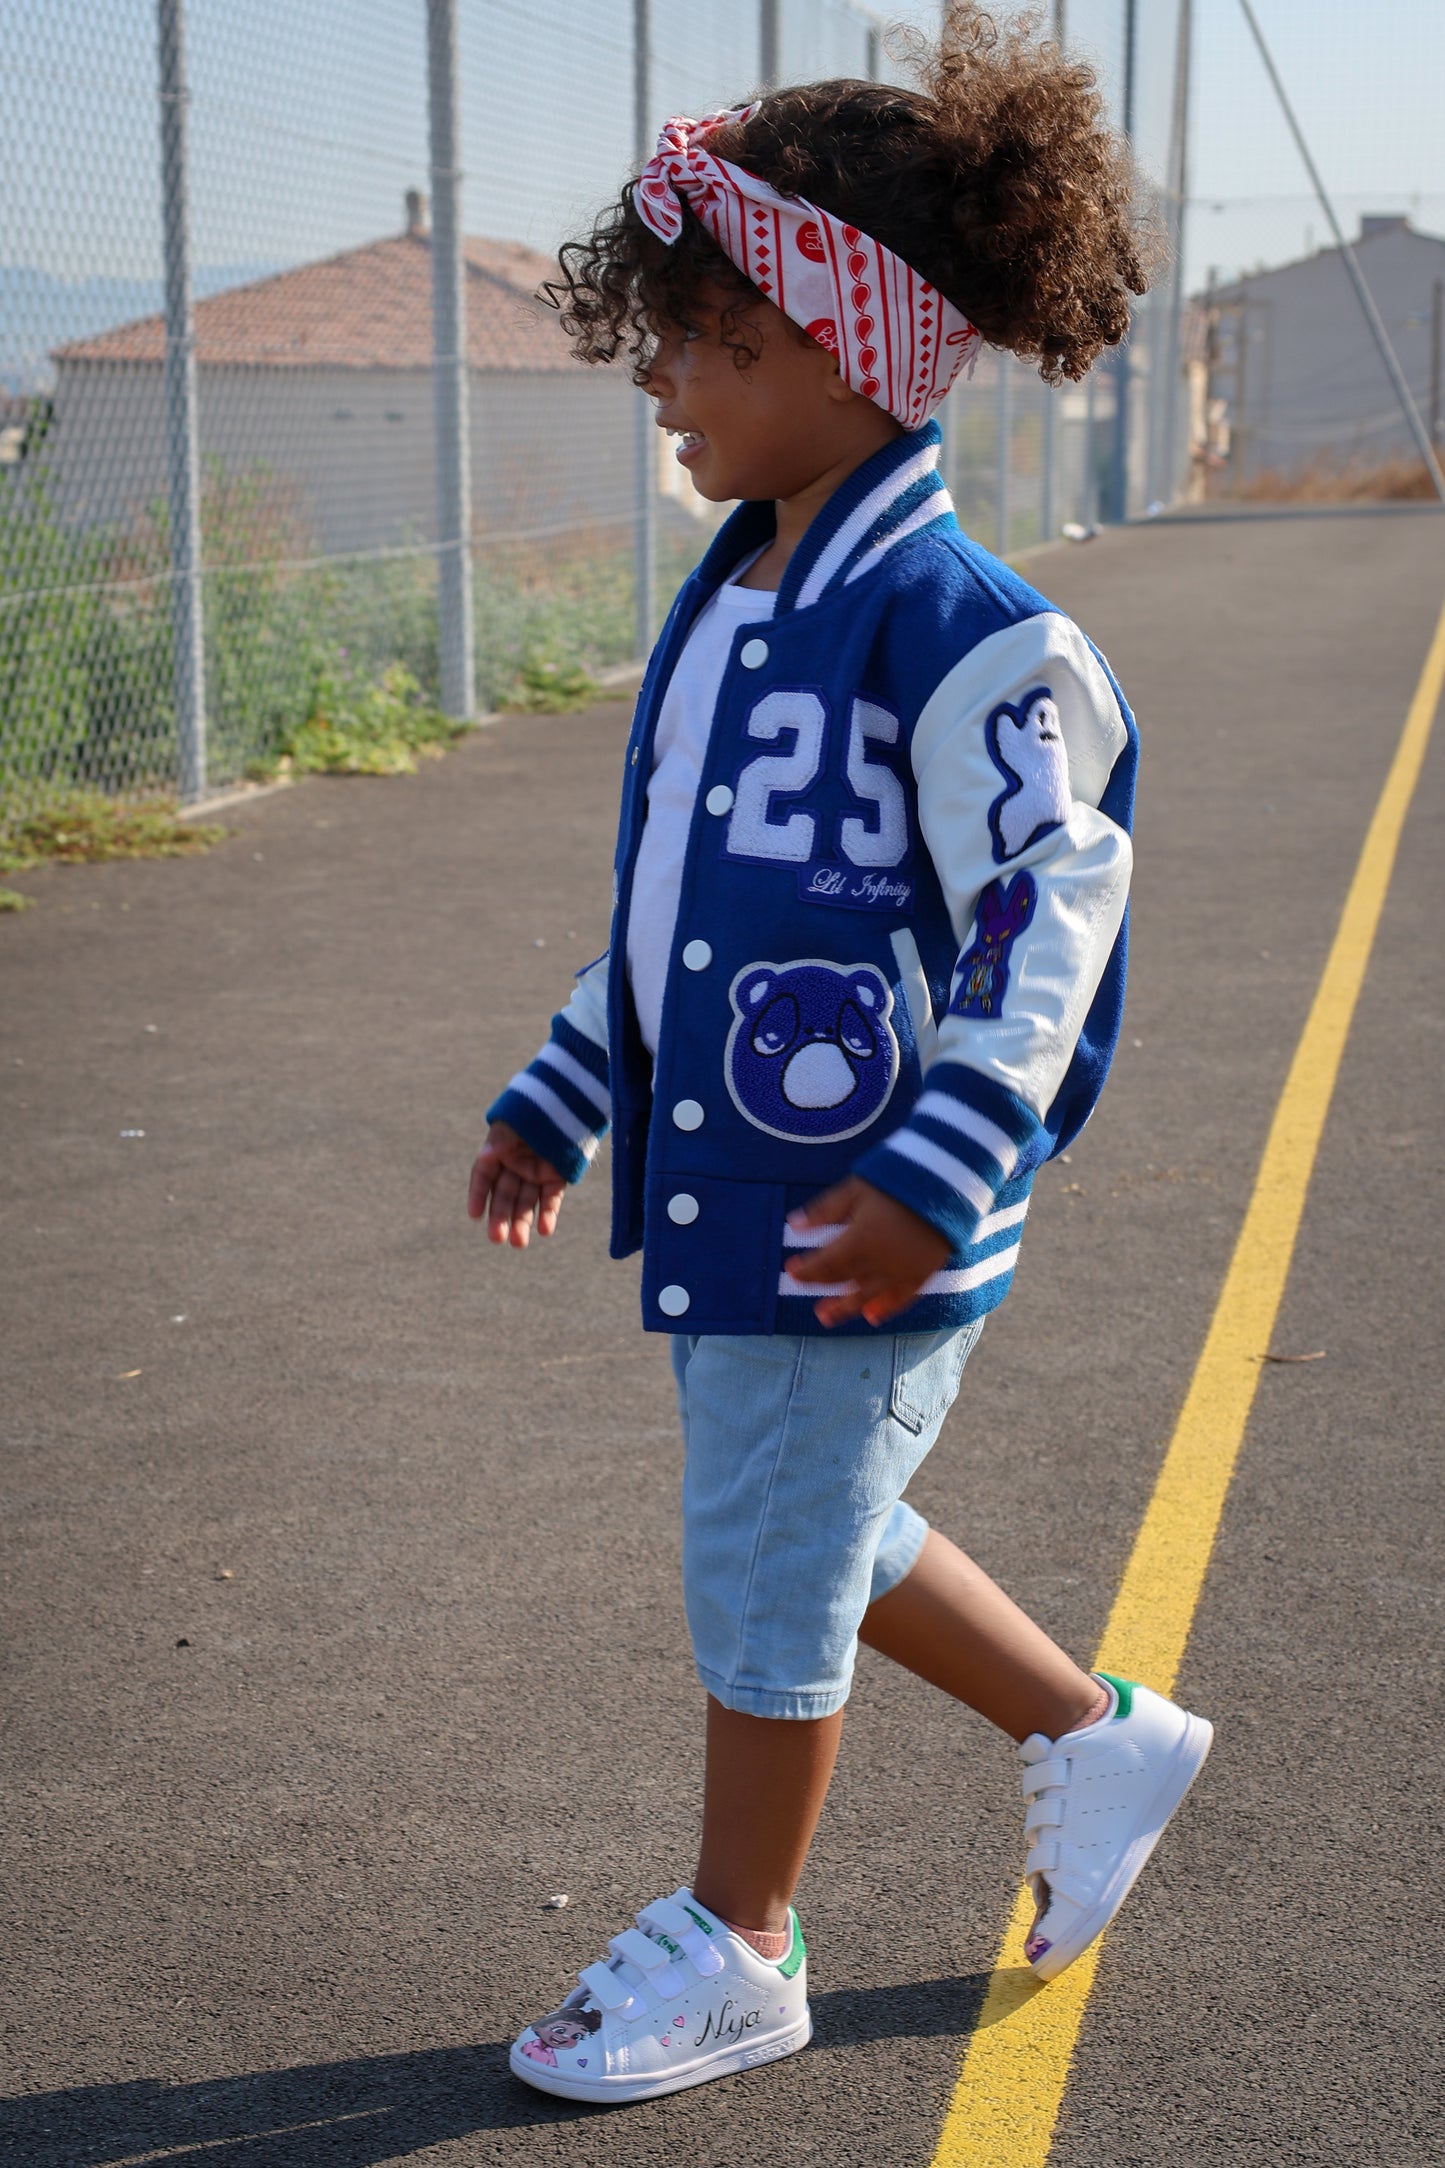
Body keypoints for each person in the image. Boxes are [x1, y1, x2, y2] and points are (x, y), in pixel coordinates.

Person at [469, 4, 1212, 2108]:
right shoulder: (736, 601)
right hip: (744, 1195)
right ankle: (1096, 1732)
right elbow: (677, 914)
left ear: (845, 350)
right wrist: (565, 1090)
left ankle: (743, 1941)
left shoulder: (968, 630)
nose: (663, 381)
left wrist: (940, 1168)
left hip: (864, 1209)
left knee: (766, 1554)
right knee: (818, 1516)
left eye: (708, 343)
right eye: (662, 337)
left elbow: (1053, 908)